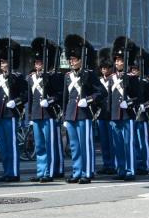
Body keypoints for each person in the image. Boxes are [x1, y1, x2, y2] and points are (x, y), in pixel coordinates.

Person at [62, 34, 105, 184]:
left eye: (74, 59)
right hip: (71, 114)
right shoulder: (67, 76)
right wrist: (64, 117)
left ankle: (87, 172)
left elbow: (101, 92)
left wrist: (88, 100)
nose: (72, 62)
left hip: (84, 114)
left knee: (85, 145)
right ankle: (77, 171)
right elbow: (65, 98)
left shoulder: (89, 74)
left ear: (81, 59)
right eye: (71, 59)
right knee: (74, 146)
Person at [26, 37, 64, 183]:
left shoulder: (53, 77)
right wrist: (29, 116)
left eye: (40, 62)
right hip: (36, 114)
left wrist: (50, 100)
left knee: (50, 145)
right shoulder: (31, 78)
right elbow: (30, 98)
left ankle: (50, 171)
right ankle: (41, 171)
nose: (37, 65)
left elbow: (60, 94)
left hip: (49, 114)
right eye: (36, 63)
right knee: (40, 145)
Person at [0, 38, 27, 183]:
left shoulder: (17, 77)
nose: (2, 64)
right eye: (1, 62)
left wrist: (16, 102)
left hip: (11, 115)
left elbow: (26, 95)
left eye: (4, 61)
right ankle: (6, 171)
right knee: (3, 146)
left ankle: (14, 172)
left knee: (12, 145)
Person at [108, 36, 139, 181]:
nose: (118, 62)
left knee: (128, 144)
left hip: (127, 115)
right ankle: (120, 169)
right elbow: (109, 97)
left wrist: (130, 103)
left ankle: (130, 170)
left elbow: (138, 97)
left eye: (121, 60)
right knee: (118, 145)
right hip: (115, 115)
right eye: (116, 60)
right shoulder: (111, 78)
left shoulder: (132, 78)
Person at [95, 47, 117, 176]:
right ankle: (106, 164)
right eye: (103, 68)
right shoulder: (99, 80)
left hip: (111, 114)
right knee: (103, 142)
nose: (104, 70)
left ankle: (113, 164)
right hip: (101, 114)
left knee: (112, 141)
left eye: (107, 68)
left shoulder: (113, 79)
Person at [132, 49, 149, 176]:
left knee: (142, 142)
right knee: (133, 141)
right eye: (133, 68)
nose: (134, 71)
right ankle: (135, 163)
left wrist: (145, 106)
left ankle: (143, 164)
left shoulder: (148, 83)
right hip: (131, 114)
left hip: (142, 114)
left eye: (136, 69)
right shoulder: (130, 81)